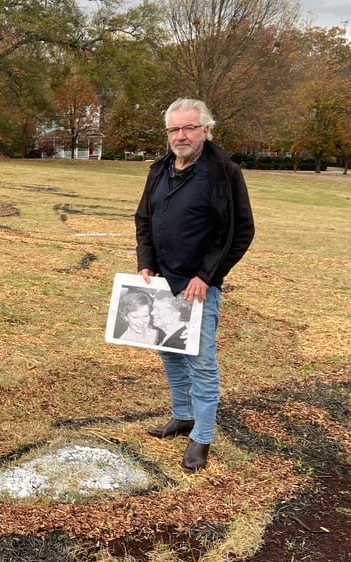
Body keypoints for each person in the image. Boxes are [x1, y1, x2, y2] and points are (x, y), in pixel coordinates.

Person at [135, 98, 255, 472]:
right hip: (162, 283)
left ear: (206, 130)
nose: (181, 135)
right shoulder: (160, 169)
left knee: (201, 364)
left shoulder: (224, 172)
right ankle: (182, 416)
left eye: (189, 128)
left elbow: (240, 232)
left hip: (198, 288)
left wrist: (207, 276)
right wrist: (146, 263)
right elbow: (143, 219)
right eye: (174, 129)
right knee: (170, 353)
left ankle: (201, 437)